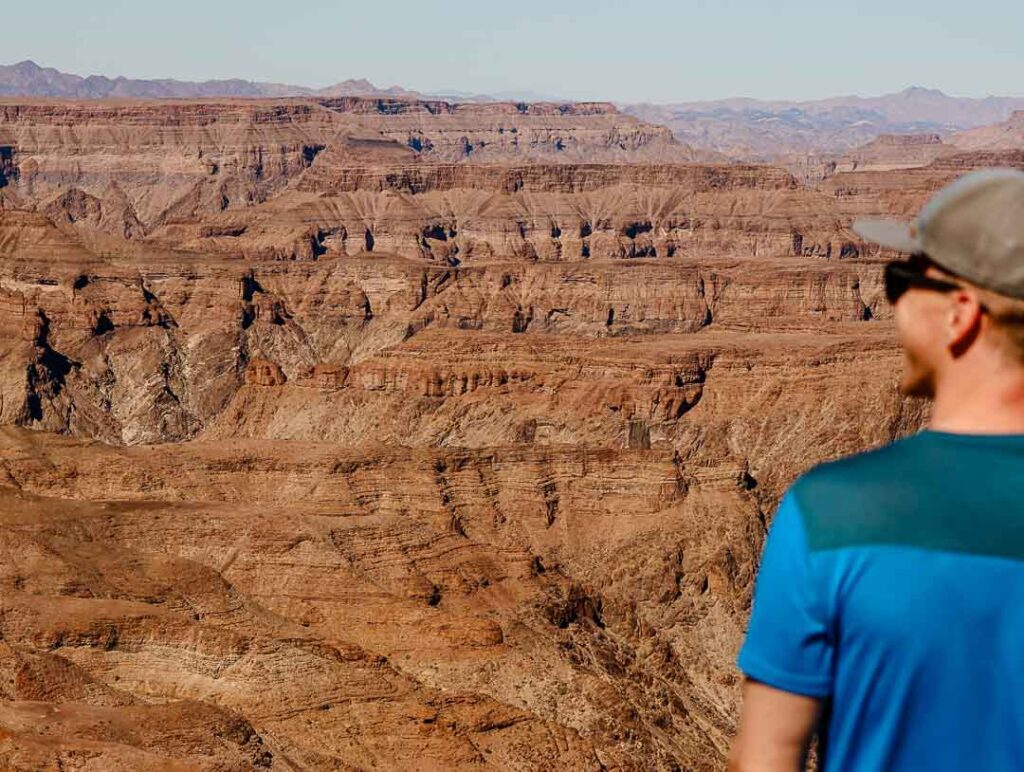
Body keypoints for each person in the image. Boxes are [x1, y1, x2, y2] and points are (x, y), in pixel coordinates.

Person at [729, 168, 1024, 772]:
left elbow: (766, 759)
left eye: (903, 279)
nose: (889, 303)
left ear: (960, 314)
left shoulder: (833, 514)